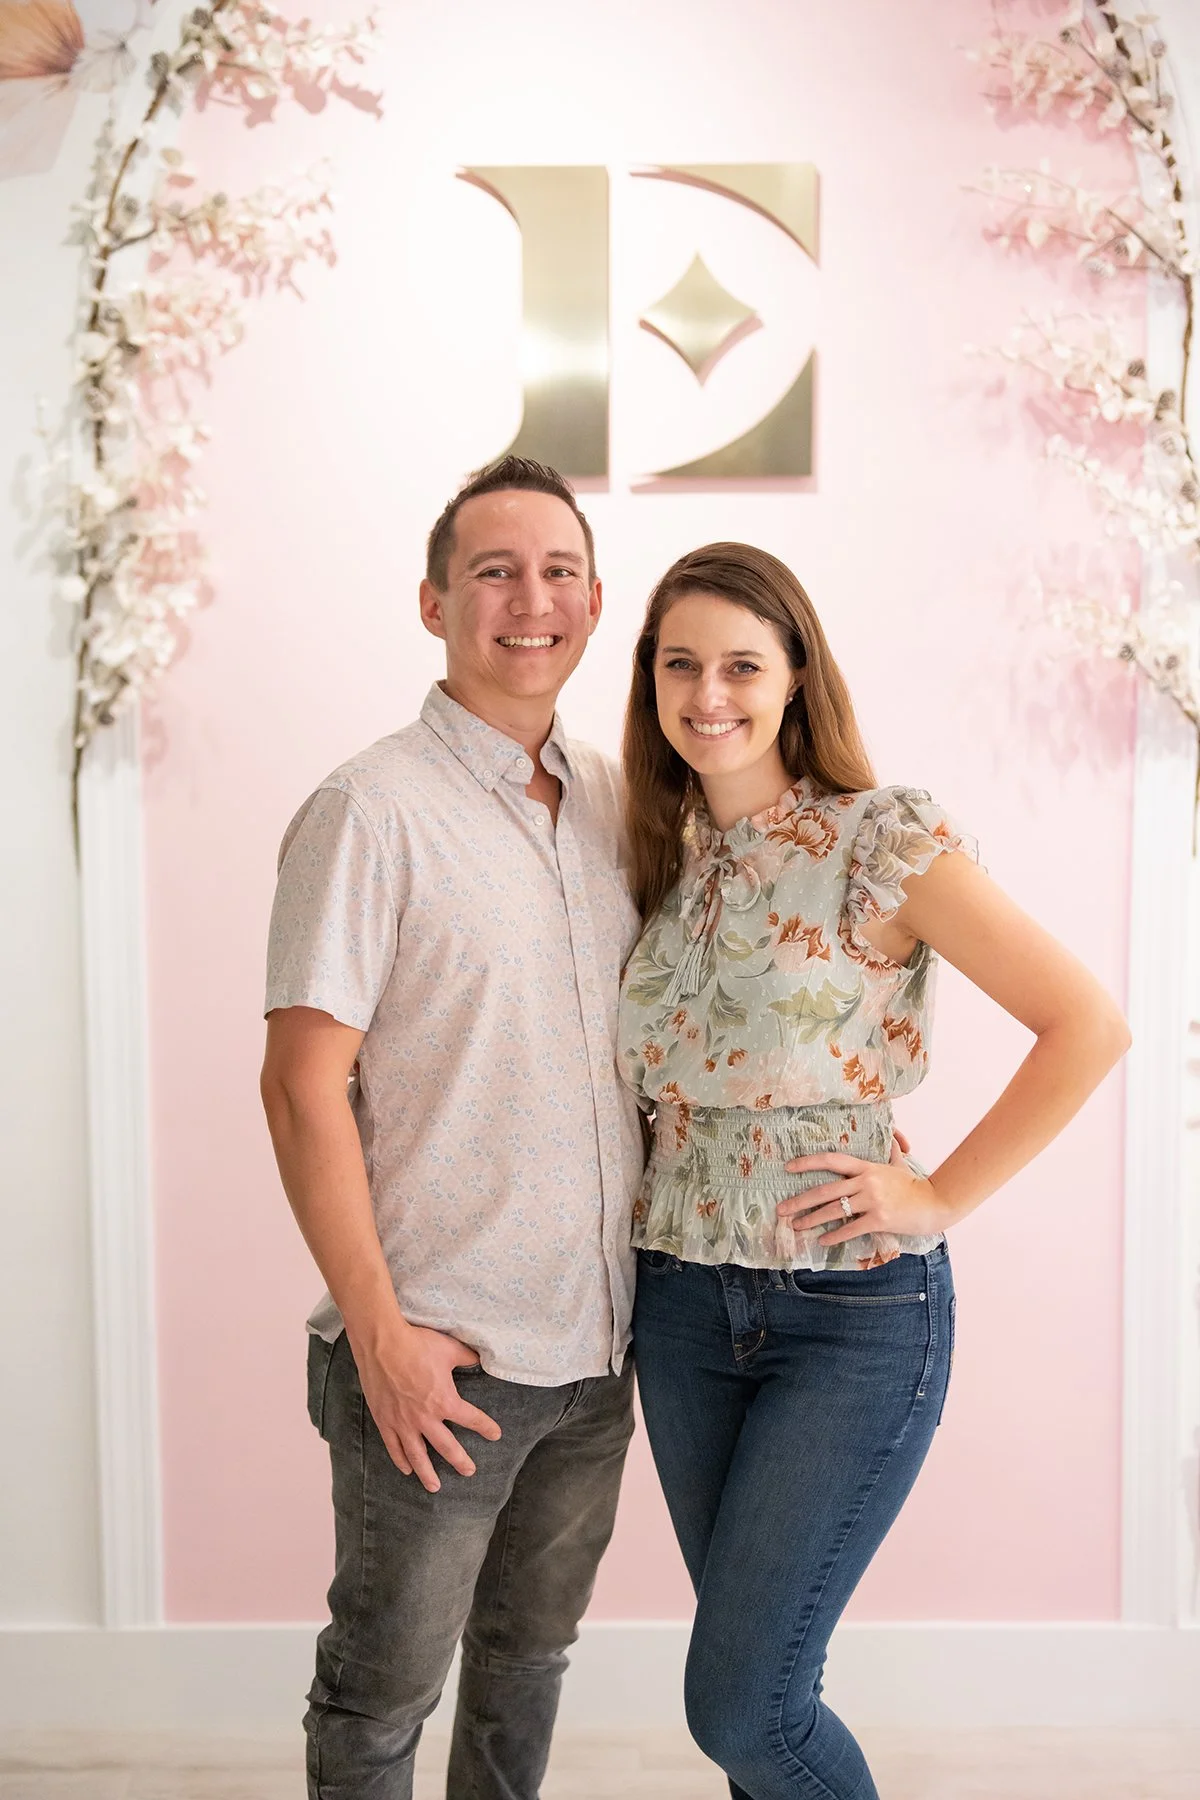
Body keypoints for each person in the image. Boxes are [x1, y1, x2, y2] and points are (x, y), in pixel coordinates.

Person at [617, 542, 1130, 1800]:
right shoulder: (654, 858)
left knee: (743, 1710)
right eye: (679, 664)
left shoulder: (877, 839)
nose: (709, 694)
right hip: (679, 1309)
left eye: (743, 664)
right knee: (768, 1699)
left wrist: (941, 1193)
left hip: (849, 1313)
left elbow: (1088, 1023)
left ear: (797, 677)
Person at [260, 456, 645, 1800]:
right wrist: (382, 1335)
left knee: (526, 1669)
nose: (526, 600)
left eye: (554, 573)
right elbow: (300, 1084)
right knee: (380, 1700)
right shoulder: (367, 810)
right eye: (493, 571)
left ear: (594, 604)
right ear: (434, 603)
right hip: (437, 1364)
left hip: (596, 1358)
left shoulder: (620, 803)